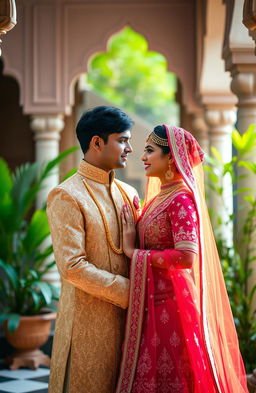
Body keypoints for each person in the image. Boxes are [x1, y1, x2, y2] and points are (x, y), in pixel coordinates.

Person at [116, 125, 248, 393]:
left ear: (171, 158)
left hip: (171, 305)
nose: (142, 156)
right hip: (152, 301)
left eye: (150, 151)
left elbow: (187, 257)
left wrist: (134, 254)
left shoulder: (181, 200)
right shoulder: (159, 198)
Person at [47, 106, 140, 393]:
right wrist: (130, 292)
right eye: (122, 140)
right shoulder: (67, 195)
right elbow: (72, 266)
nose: (130, 148)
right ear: (97, 142)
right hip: (87, 326)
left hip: (130, 325)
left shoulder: (129, 193)